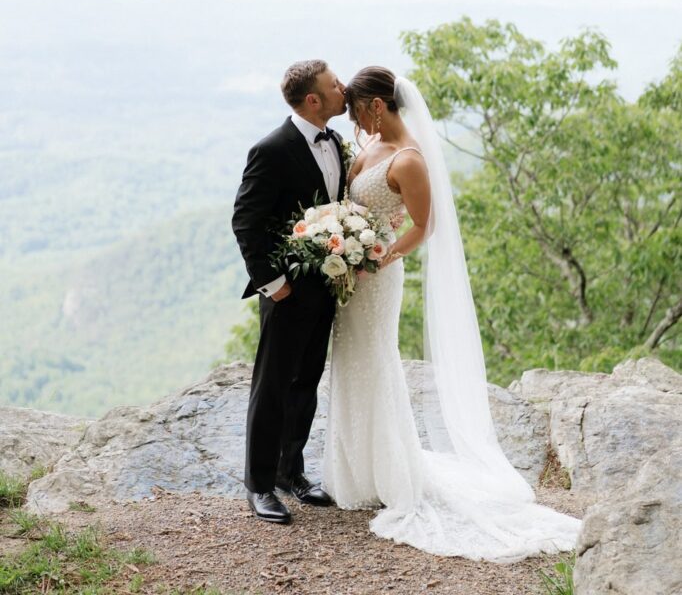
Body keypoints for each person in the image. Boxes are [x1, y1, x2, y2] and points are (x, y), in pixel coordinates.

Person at [322, 65, 582, 560]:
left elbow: (424, 226)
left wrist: (379, 257)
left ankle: (391, 471)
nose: (356, 123)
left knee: (376, 361)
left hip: (377, 278)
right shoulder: (370, 149)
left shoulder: (409, 160)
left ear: (378, 105)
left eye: (358, 112)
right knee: (349, 361)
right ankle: (354, 471)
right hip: (349, 274)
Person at [232, 59, 347, 523]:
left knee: (306, 384)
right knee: (273, 387)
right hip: (285, 291)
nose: (344, 88)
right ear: (313, 99)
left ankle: (289, 471)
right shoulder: (272, 149)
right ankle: (259, 485)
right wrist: (273, 285)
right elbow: (245, 220)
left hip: (324, 287)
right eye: (334, 84)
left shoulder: (335, 141)